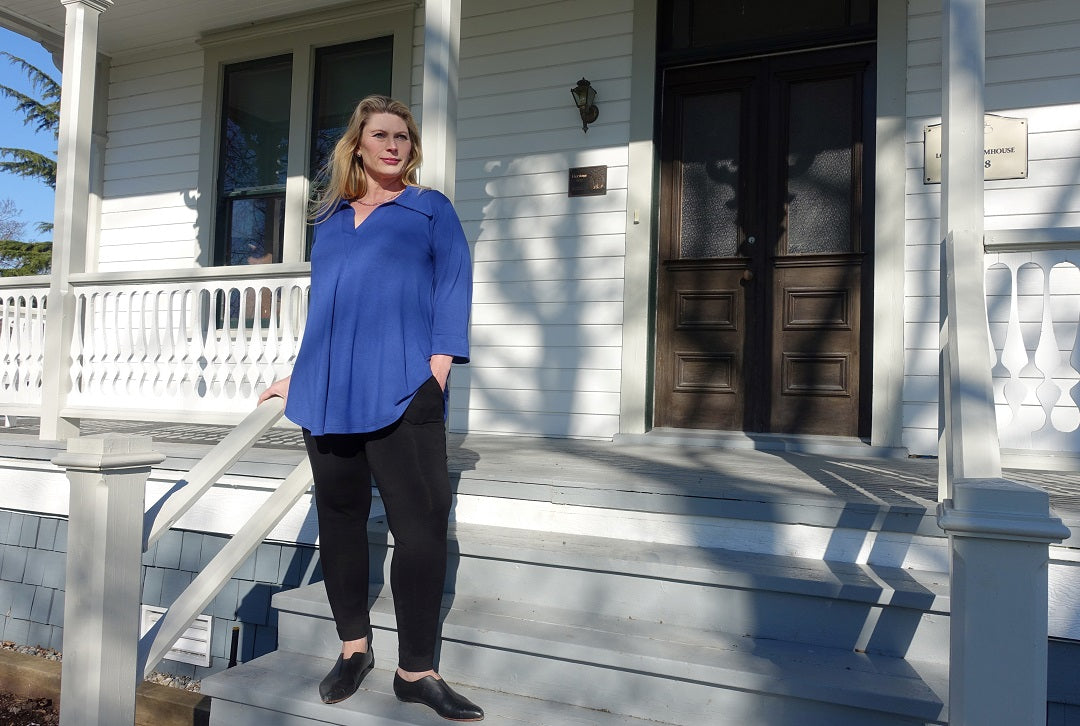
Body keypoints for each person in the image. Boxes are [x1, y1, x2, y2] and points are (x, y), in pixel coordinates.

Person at [257, 95, 481, 721]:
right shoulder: (329, 219)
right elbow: (328, 306)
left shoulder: (429, 208)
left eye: (402, 137)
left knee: (420, 526)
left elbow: (453, 284)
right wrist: (296, 375)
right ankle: (353, 647)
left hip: (406, 385)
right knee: (341, 518)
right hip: (327, 389)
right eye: (380, 135)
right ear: (357, 144)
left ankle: (416, 671)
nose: (392, 145)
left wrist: (438, 367)